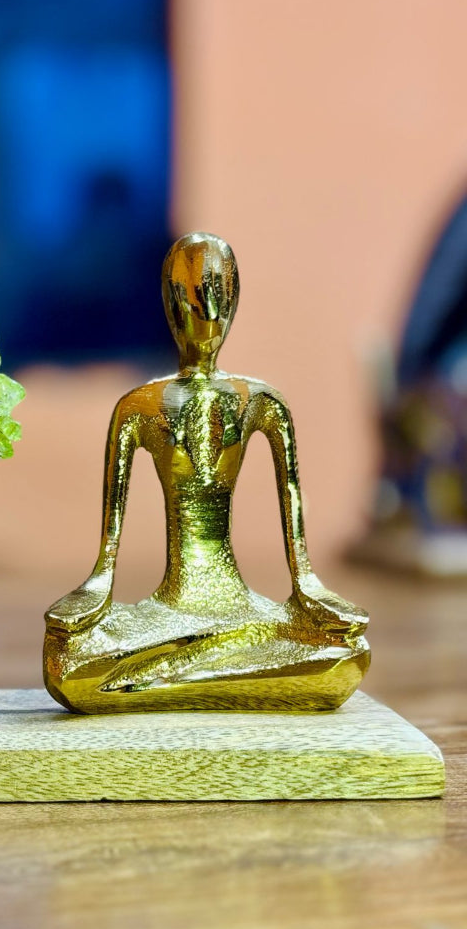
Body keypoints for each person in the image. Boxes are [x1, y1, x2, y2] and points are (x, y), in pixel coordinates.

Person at [44, 232, 369, 713]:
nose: (206, 309)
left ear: (235, 299)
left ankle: (167, 680)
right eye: (189, 294)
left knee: (345, 657)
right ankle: (226, 677)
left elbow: (301, 562)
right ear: (170, 305)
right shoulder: (139, 406)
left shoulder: (260, 400)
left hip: (243, 612)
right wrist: (87, 600)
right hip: (166, 614)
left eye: (218, 290)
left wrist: (312, 592)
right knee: (67, 665)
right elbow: (105, 560)